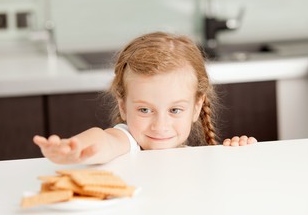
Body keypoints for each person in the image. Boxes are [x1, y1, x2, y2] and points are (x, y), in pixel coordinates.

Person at [33, 32, 257, 164]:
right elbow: (103, 140)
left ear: (197, 107)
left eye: (175, 110)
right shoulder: (129, 142)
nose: (160, 126)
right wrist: (75, 147)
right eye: (145, 110)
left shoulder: (198, 159)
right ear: (123, 106)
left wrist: (240, 154)